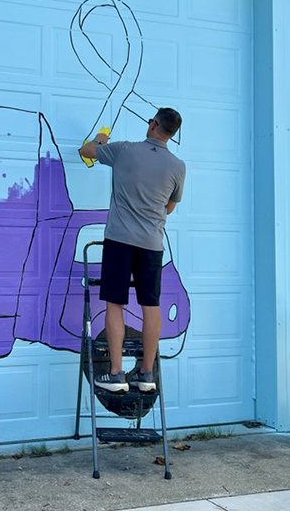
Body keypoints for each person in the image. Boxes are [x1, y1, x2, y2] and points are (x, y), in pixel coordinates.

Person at [78, 108, 185, 393]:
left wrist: (101, 138)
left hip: (120, 240)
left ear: (153, 124)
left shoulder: (124, 150)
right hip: (152, 244)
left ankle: (116, 374)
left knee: (115, 304)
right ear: (171, 134)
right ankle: (147, 373)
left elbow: (85, 151)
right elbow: (169, 208)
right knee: (151, 306)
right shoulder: (177, 166)